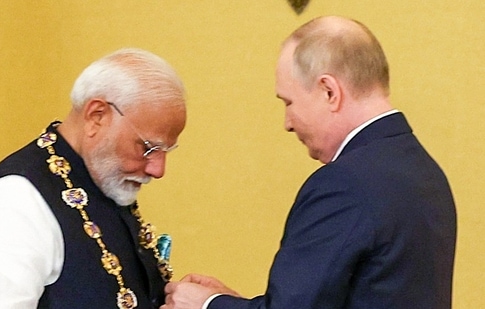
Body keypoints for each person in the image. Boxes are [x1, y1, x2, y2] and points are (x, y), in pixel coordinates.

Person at [161, 15, 456, 309]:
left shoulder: (344, 185)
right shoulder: (425, 171)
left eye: (288, 102)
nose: (287, 123)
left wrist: (207, 305)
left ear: (330, 91)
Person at [0, 48, 187, 308]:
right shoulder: (15, 200)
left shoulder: (100, 178)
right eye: (147, 148)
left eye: (164, 152)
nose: (158, 170)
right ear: (96, 117)